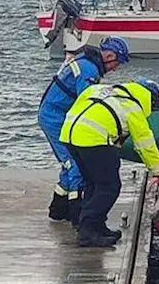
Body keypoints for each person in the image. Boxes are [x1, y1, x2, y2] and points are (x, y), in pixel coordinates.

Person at [59, 79, 159, 247]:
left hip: (68, 135)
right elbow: (145, 144)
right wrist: (158, 171)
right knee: (109, 186)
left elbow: (79, 104)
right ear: (150, 99)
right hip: (93, 140)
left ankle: (96, 227)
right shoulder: (133, 107)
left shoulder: (100, 90)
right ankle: (87, 232)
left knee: (92, 183)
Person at [36, 36, 131, 226]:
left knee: (68, 164)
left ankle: (58, 208)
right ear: (110, 56)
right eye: (117, 63)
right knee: (74, 165)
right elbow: (88, 101)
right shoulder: (89, 70)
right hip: (55, 117)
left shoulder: (86, 62)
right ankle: (76, 213)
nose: (115, 68)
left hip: (60, 115)